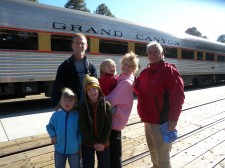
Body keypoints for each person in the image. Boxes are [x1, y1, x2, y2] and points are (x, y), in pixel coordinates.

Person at [133, 41, 185, 168]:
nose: (152, 54)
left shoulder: (169, 70)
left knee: (163, 153)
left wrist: (173, 119)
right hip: (148, 120)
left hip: (162, 121)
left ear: (161, 53)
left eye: (155, 51)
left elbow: (177, 96)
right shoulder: (145, 73)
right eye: (150, 52)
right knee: (152, 149)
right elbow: (139, 90)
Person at [106, 51, 139, 168]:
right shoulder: (122, 77)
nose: (126, 67)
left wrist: (95, 99)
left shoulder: (126, 82)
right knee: (113, 150)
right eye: (125, 64)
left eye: (130, 66)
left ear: (133, 68)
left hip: (115, 120)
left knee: (114, 153)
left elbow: (112, 99)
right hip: (116, 119)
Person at [51, 33, 97, 107]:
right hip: (71, 108)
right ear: (72, 45)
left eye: (82, 43)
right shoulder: (64, 66)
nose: (79, 45)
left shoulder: (91, 67)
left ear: (86, 46)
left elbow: (95, 87)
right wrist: (57, 104)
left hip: (87, 108)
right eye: (77, 43)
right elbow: (57, 87)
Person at [78, 75, 112, 168]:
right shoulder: (82, 107)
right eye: (89, 90)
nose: (92, 92)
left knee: (104, 165)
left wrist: (102, 142)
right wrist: (93, 143)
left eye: (94, 88)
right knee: (88, 165)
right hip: (88, 143)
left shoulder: (106, 105)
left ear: (99, 89)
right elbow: (83, 126)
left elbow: (108, 126)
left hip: (103, 142)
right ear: (85, 92)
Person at [46, 88, 81, 168]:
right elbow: (49, 127)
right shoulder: (56, 115)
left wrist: (77, 142)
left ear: (74, 103)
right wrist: (53, 135)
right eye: (65, 100)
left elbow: (81, 132)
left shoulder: (77, 116)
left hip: (74, 150)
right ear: (61, 102)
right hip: (59, 149)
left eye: (70, 100)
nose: (67, 102)